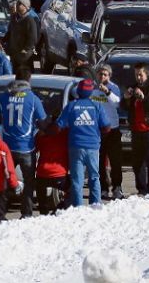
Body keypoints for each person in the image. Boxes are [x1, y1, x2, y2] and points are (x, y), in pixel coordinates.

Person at [0, 68, 47, 218]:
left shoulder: (4, 97)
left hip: (7, 148)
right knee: (29, 183)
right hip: (26, 148)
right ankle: (26, 213)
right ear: (28, 81)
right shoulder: (33, 99)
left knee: (2, 180)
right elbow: (43, 123)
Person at [55, 79, 110, 207]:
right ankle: (95, 205)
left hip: (76, 146)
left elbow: (58, 126)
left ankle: (78, 207)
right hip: (93, 147)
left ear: (78, 91)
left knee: (77, 180)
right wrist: (96, 132)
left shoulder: (71, 106)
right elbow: (107, 127)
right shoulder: (96, 105)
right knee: (94, 177)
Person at [121, 63, 149, 195]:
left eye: (141, 74)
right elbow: (124, 107)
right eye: (136, 75)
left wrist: (144, 97)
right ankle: (141, 188)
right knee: (137, 161)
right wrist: (126, 98)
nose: (138, 77)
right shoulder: (133, 87)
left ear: (146, 74)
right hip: (136, 128)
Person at [91, 64, 123, 199]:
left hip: (113, 128)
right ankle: (103, 187)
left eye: (105, 74)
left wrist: (107, 92)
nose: (102, 76)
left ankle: (117, 187)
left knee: (115, 160)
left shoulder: (113, 87)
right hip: (98, 129)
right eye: (100, 74)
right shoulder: (93, 88)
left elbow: (117, 103)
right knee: (99, 160)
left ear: (109, 76)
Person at [35, 119, 69, 215]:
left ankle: (43, 211)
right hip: (60, 173)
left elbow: (35, 148)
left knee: (40, 187)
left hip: (43, 172)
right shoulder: (64, 133)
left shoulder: (41, 135)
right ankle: (60, 208)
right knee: (74, 188)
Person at [6, 0, 37, 73]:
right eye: (18, 3)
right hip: (14, 53)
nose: (17, 5)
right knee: (14, 75)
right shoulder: (14, 17)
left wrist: (26, 49)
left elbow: (33, 38)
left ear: (25, 7)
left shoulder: (29, 20)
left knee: (24, 75)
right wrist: (3, 40)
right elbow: (10, 32)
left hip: (25, 56)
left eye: (20, 3)